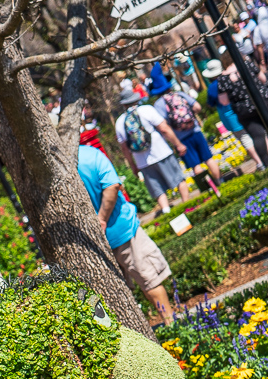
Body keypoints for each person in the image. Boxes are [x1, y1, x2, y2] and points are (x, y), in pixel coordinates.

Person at [76, 143, 175, 323]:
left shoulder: (53, 167)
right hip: (122, 230)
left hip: (92, 243)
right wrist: (102, 219)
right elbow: (113, 185)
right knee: (149, 279)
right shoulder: (90, 154)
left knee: (121, 293)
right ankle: (171, 324)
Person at [114, 86, 190, 214]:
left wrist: (133, 165)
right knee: (179, 181)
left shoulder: (119, 122)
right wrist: (178, 144)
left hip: (142, 161)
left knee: (158, 191)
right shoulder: (146, 110)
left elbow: (125, 149)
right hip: (161, 152)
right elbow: (164, 129)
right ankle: (188, 207)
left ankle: (167, 213)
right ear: (135, 99)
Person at [148, 63, 223, 192]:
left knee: (196, 166)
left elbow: (164, 126)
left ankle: (210, 190)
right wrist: (190, 116)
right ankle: (220, 182)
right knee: (209, 159)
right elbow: (198, 107)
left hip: (181, 139)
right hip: (195, 131)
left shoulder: (159, 104)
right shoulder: (178, 95)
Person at [204, 59, 267, 169]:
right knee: (257, 132)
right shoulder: (229, 77)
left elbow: (211, 103)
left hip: (229, 116)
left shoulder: (213, 87)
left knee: (244, 138)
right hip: (241, 109)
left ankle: (259, 162)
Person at [217, 58, 268, 165]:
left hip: (244, 110)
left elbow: (224, 101)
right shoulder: (247, 64)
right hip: (262, 100)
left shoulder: (223, 78)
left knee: (258, 136)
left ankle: (265, 164)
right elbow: (263, 79)